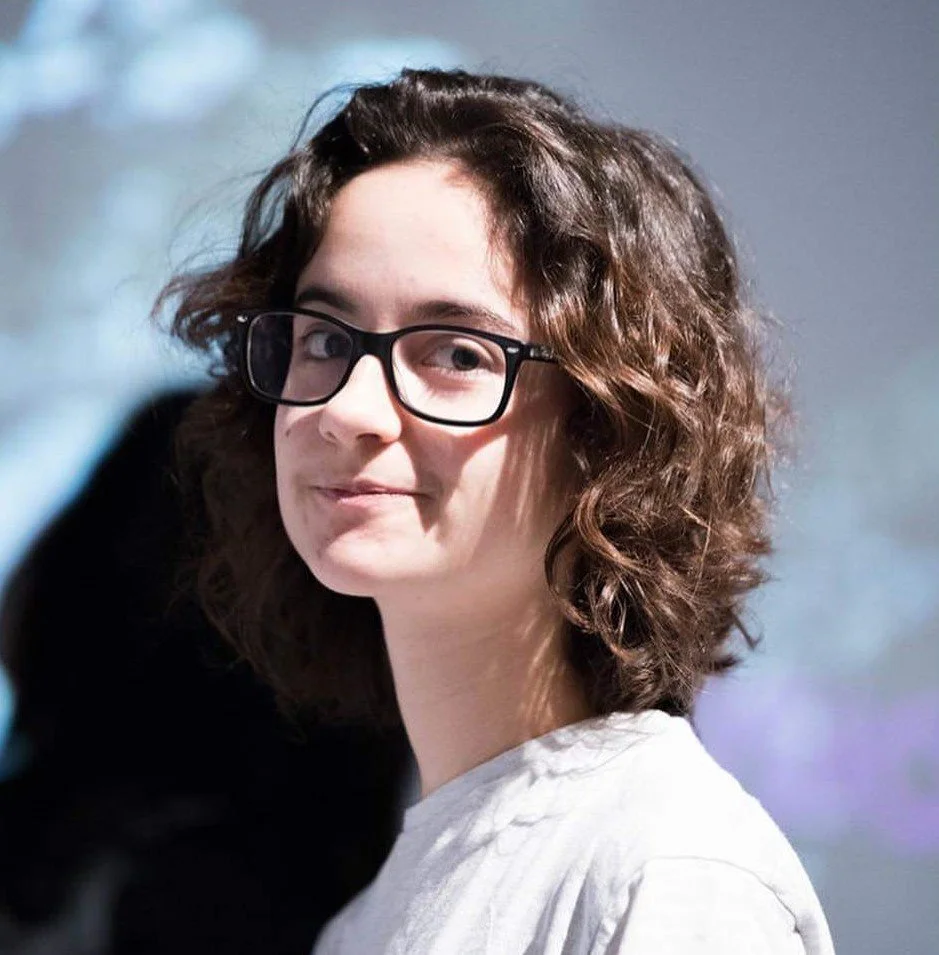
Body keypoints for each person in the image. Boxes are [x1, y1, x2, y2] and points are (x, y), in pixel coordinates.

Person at [155, 68, 836, 953]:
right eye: (325, 338)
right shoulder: (362, 923)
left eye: (456, 353)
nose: (347, 408)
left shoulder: (664, 874)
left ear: (609, 428)